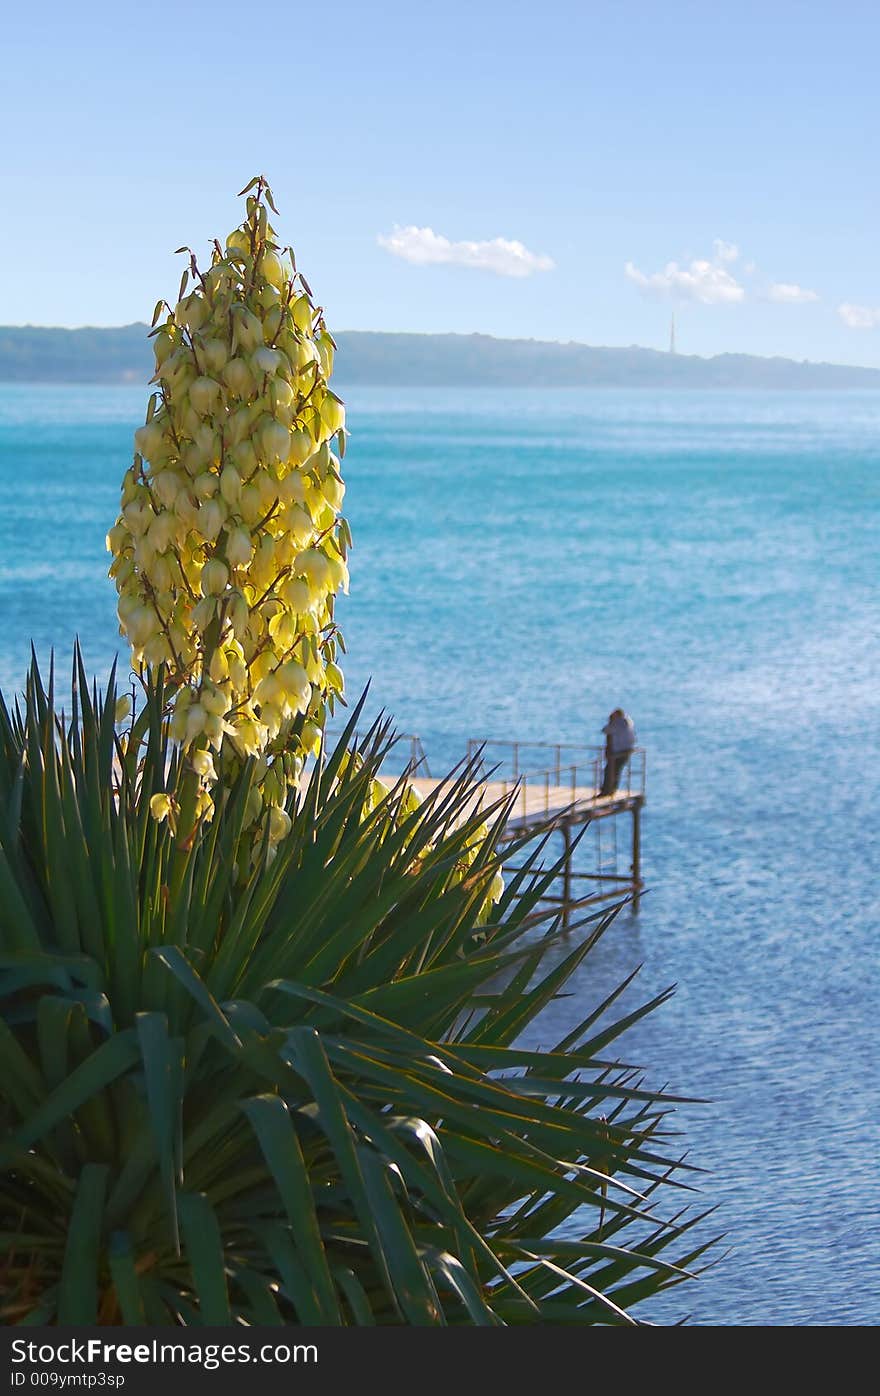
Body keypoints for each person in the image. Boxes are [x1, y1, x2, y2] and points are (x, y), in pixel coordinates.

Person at [600, 708, 636, 796]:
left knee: (610, 770)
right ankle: (612, 789)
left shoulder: (618, 723)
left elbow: (605, 730)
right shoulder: (628, 721)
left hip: (619, 751)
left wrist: (610, 721)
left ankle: (607, 790)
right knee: (616, 770)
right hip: (627, 749)